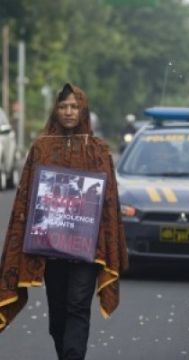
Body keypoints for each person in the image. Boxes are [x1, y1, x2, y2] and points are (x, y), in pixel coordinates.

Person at [0, 83, 128, 360]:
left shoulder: (99, 150)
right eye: (63, 106)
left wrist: (105, 240)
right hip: (50, 247)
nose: (68, 112)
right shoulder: (41, 148)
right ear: (56, 110)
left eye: (74, 106)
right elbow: (25, 197)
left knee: (78, 306)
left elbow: (108, 203)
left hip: (87, 248)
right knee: (58, 314)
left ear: (83, 110)